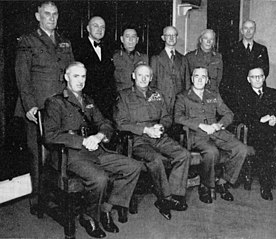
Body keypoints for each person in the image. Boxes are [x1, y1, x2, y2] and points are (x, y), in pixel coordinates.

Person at [43, 62, 141, 238]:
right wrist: (82, 141)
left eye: (83, 76)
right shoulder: (55, 102)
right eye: (76, 76)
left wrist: (99, 136)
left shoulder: (88, 100)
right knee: (100, 178)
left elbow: (104, 123)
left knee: (133, 166)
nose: (80, 81)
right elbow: (50, 136)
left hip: (95, 149)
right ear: (66, 77)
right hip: (70, 154)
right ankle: (88, 217)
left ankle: (106, 209)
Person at [14, 1, 74, 213]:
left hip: (59, 108)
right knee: (37, 155)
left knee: (58, 152)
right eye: (47, 14)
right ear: (38, 16)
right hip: (37, 108)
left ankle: (54, 194)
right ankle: (38, 201)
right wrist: (29, 105)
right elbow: (22, 76)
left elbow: (72, 73)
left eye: (55, 14)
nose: (52, 18)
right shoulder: (28, 41)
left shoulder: (65, 42)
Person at [114, 62, 191, 221]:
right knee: (156, 159)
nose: (143, 78)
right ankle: (165, 199)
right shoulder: (124, 96)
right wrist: (145, 130)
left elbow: (167, 117)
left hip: (158, 136)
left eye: (147, 76)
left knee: (184, 154)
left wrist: (161, 127)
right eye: (140, 75)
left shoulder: (157, 94)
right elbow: (120, 123)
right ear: (133, 76)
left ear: (151, 78)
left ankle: (175, 195)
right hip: (137, 139)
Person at [174, 67, 248, 204]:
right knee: (211, 152)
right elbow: (178, 117)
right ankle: (205, 186)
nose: (200, 79)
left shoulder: (213, 95)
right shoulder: (183, 96)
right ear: (192, 78)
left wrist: (219, 125)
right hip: (196, 135)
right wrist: (201, 125)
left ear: (208, 80)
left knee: (241, 149)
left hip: (217, 132)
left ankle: (222, 182)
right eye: (197, 76)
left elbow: (228, 114)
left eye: (204, 77)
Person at [235, 66, 276, 201]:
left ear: (264, 78)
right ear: (248, 79)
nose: (258, 79)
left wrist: (275, 118)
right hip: (254, 133)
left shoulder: (272, 93)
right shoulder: (243, 94)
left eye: (260, 76)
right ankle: (265, 186)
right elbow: (241, 116)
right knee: (266, 144)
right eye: (254, 77)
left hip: (274, 130)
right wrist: (260, 120)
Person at [220, 19, 269, 113]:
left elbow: (265, 70)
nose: (248, 31)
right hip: (238, 92)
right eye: (245, 28)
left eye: (251, 28)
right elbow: (228, 73)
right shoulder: (232, 49)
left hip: (256, 90)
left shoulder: (262, 49)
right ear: (241, 31)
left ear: (255, 30)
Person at [74, 16, 115, 120]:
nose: (99, 29)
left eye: (102, 27)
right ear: (88, 28)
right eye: (95, 26)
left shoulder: (109, 48)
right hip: (88, 101)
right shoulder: (78, 47)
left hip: (107, 102)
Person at [150, 26, 188, 114]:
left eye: (174, 35)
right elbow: (152, 84)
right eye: (168, 35)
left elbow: (187, 84)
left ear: (177, 37)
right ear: (163, 38)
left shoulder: (183, 59)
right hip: (161, 104)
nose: (171, 38)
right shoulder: (156, 58)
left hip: (179, 105)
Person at [113, 26, 148, 92]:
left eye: (133, 37)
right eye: (127, 36)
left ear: (137, 40)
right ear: (122, 39)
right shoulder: (115, 58)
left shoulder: (144, 58)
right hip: (122, 98)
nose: (130, 40)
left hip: (139, 98)